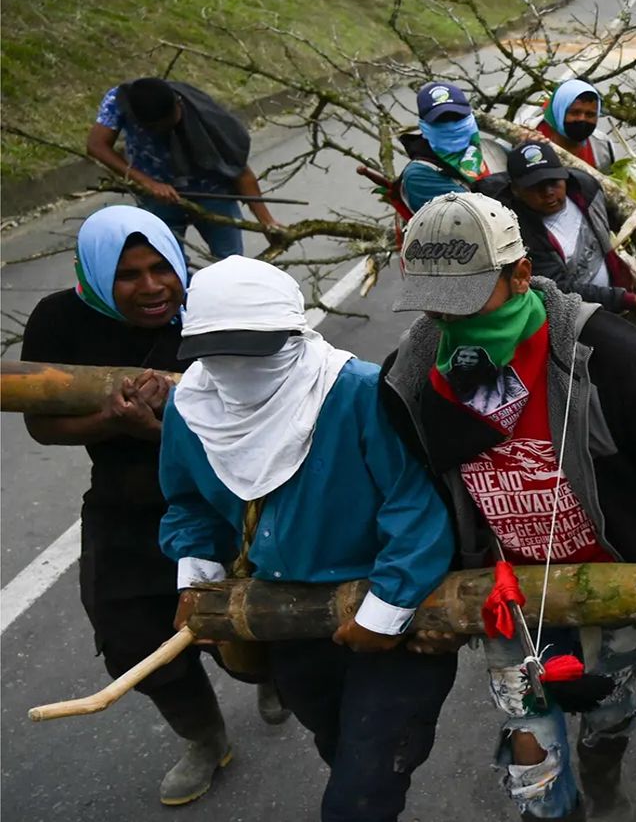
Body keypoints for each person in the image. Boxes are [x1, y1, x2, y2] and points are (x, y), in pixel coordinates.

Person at [383, 192, 636, 820]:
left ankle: (603, 762)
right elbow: (418, 486)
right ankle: (553, 807)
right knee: (530, 741)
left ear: (519, 275)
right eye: (434, 301)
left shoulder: (607, 355)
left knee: (605, 704)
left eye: (463, 299)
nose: (445, 318)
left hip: (611, 571)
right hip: (505, 589)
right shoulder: (414, 368)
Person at [158, 256, 457, 822]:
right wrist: (198, 582)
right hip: (286, 621)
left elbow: (414, 508)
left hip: (387, 618)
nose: (236, 366)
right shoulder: (192, 408)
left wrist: (385, 613)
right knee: (335, 743)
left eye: (254, 348)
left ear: (295, 334)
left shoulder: (358, 393)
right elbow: (188, 502)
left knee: (361, 793)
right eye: (218, 352)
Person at [20, 207, 283, 806]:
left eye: (161, 268)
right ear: (94, 276)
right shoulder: (61, 319)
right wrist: (108, 418)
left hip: (226, 496)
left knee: (257, 615)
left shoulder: (215, 311)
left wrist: (157, 430)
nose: (151, 287)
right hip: (126, 504)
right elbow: (42, 422)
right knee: (128, 632)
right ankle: (203, 737)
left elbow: (258, 423)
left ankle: (272, 677)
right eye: (128, 274)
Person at [86, 77, 278, 259]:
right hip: (157, 197)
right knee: (166, 264)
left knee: (230, 262)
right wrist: (147, 183)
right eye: (157, 129)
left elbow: (241, 171)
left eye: (172, 122)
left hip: (213, 193)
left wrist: (267, 222)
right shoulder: (119, 100)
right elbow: (97, 145)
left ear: (178, 103)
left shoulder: (205, 114)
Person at [479, 139, 636, 320]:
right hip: (577, 316)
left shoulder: (584, 187)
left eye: (554, 182)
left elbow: (620, 221)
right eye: (536, 187)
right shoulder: (518, 233)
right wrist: (625, 300)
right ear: (515, 190)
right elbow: (557, 288)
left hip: (618, 292)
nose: (548, 192)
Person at [398, 81, 510, 214]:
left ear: (471, 116)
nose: (451, 126)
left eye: (457, 117)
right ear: (423, 126)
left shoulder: (491, 149)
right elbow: (472, 217)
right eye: (441, 121)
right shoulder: (419, 175)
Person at [533, 79, 617, 174]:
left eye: (590, 114)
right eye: (575, 112)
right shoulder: (528, 138)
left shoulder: (602, 146)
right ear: (559, 112)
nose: (582, 119)